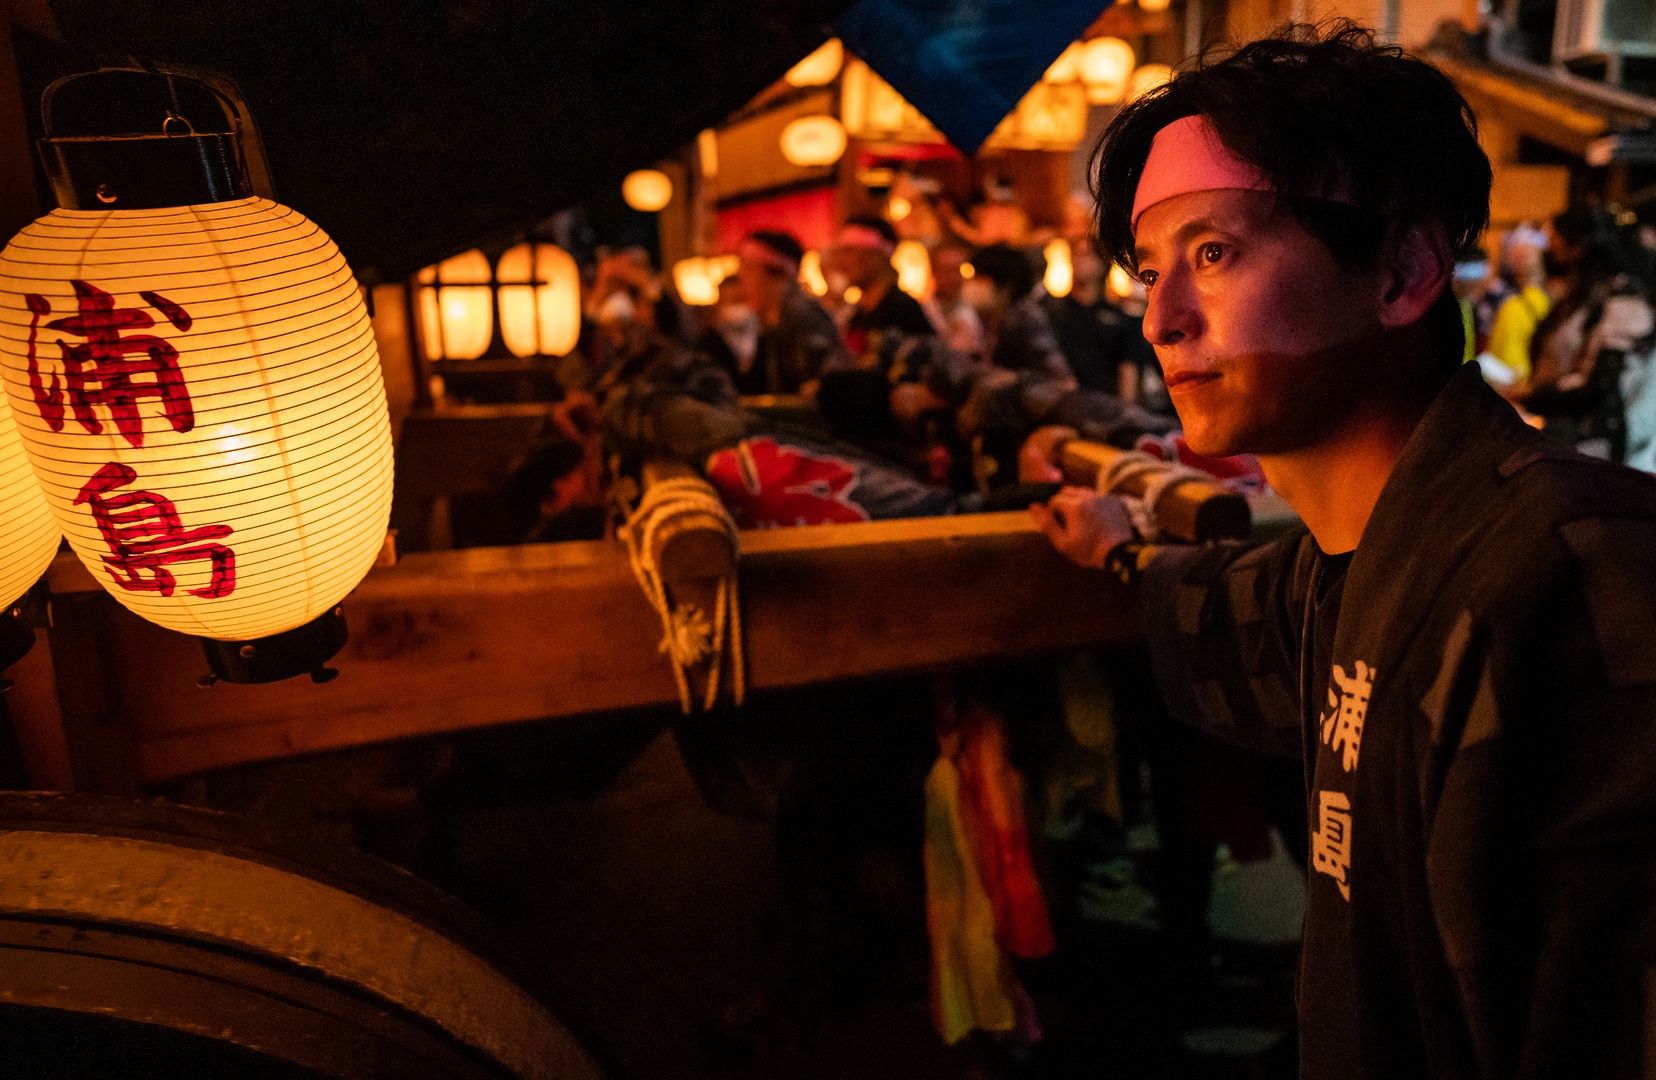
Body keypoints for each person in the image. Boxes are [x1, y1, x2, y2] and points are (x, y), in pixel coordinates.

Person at [1031, 24, 1656, 1078]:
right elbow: (1227, 609)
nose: (1161, 319)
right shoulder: (1351, 558)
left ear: (1404, 271)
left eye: (1215, 254)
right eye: (1149, 271)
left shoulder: (1587, 583)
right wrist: (1120, 551)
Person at [731, 230, 854, 395]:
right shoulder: (771, 322)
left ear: (779, 274)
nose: (741, 280)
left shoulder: (804, 319)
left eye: (749, 269)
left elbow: (818, 395)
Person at [822, 216, 936, 357]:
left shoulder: (903, 309)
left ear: (875, 256)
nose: (841, 262)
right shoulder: (858, 314)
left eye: (849, 251)